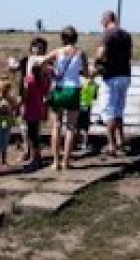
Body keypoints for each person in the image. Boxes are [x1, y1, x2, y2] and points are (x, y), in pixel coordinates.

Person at [40, 26, 87, 170]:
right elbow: (85, 72)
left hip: (59, 89)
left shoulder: (57, 52)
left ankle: (55, 161)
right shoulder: (80, 53)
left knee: (56, 125)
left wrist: (51, 72)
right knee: (71, 128)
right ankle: (66, 161)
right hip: (73, 90)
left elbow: (41, 62)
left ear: (63, 38)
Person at [95, 10, 132, 157]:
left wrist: (97, 62)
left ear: (106, 20)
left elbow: (101, 53)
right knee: (118, 110)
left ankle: (111, 145)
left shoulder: (107, 34)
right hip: (125, 74)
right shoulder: (126, 34)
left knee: (109, 111)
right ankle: (121, 141)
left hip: (111, 76)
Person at [19, 37, 49, 171]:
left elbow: (26, 94)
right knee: (31, 132)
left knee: (32, 133)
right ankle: (33, 155)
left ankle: (35, 158)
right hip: (37, 105)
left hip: (30, 105)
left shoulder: (29, 80)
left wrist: (19, 103)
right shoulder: (43, 80)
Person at [0, 78, 18, 173]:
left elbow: (15, 106)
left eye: (8, 89)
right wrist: (1, 108)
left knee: (5, 143)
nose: (6, 91)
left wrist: (13, 104)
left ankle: (4, 161)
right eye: (4, 89)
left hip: (7, 124)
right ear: (0, 90)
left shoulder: (10, 99)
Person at [76, 74, 99, 151]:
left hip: (80, 105)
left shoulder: (82, 83)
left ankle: (78, 142)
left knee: (79, 125)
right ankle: (84, 143)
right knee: (85, 125)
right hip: (86, 105)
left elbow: (78, 93)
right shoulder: (95, 85)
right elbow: (95, 97)